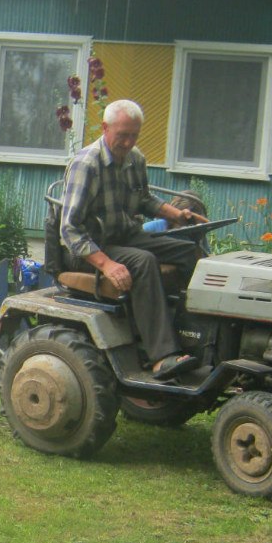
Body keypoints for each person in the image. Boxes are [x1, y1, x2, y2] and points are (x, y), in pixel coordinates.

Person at [59, 99, 208, 380]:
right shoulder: (87, 164)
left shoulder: (134, 158)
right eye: (122, 135)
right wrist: (106, 265)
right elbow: (69, 230)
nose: (128, 143)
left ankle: (197, 337)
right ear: (105, 128)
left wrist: (178, 214)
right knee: (143, 262)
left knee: (190, 252)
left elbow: (144, 199)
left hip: (126, 236)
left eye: (133, 135)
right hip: (91, 247)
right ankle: (162, 356)